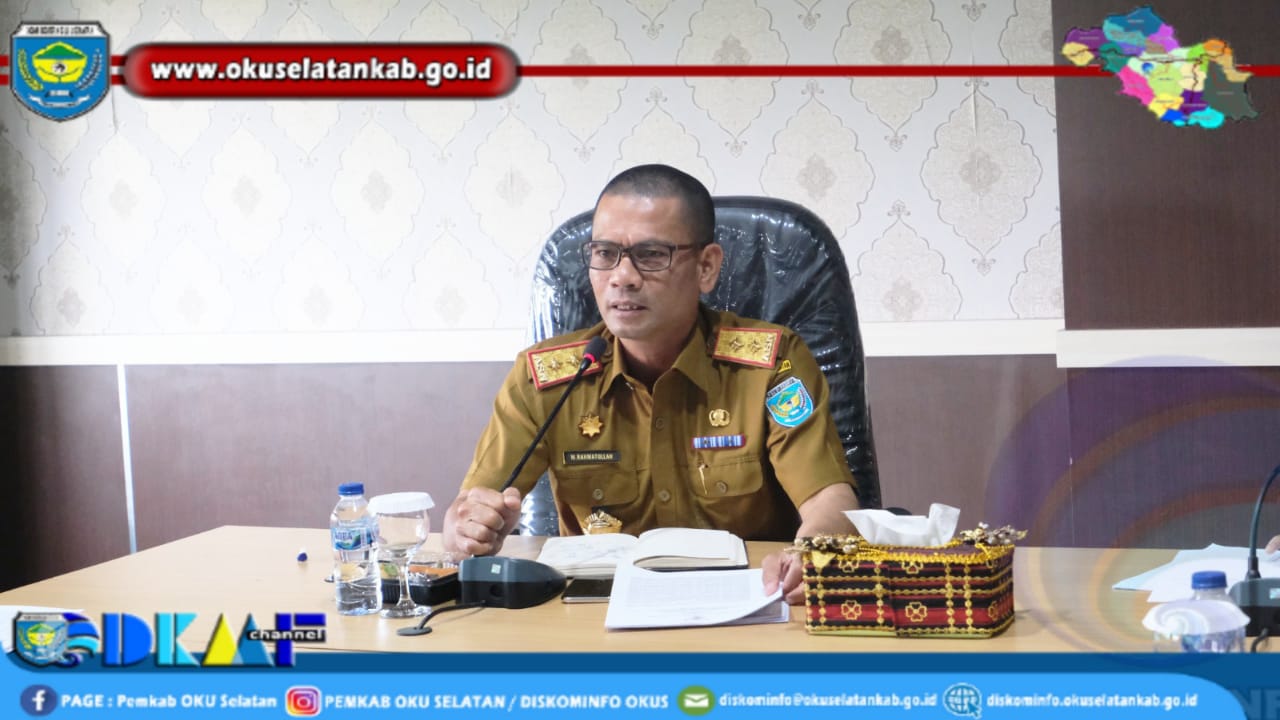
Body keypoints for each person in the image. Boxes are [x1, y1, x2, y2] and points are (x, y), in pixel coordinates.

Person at [442, 164, 859, 603]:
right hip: (593, 612)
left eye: (652, 254)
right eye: (605, 253)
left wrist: (809, 552)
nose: (622, 276)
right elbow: (467, 511)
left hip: (746, 603)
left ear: (706, 267)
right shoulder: (545, 378)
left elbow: (831, 501)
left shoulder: (771, 364)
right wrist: (468, 529)